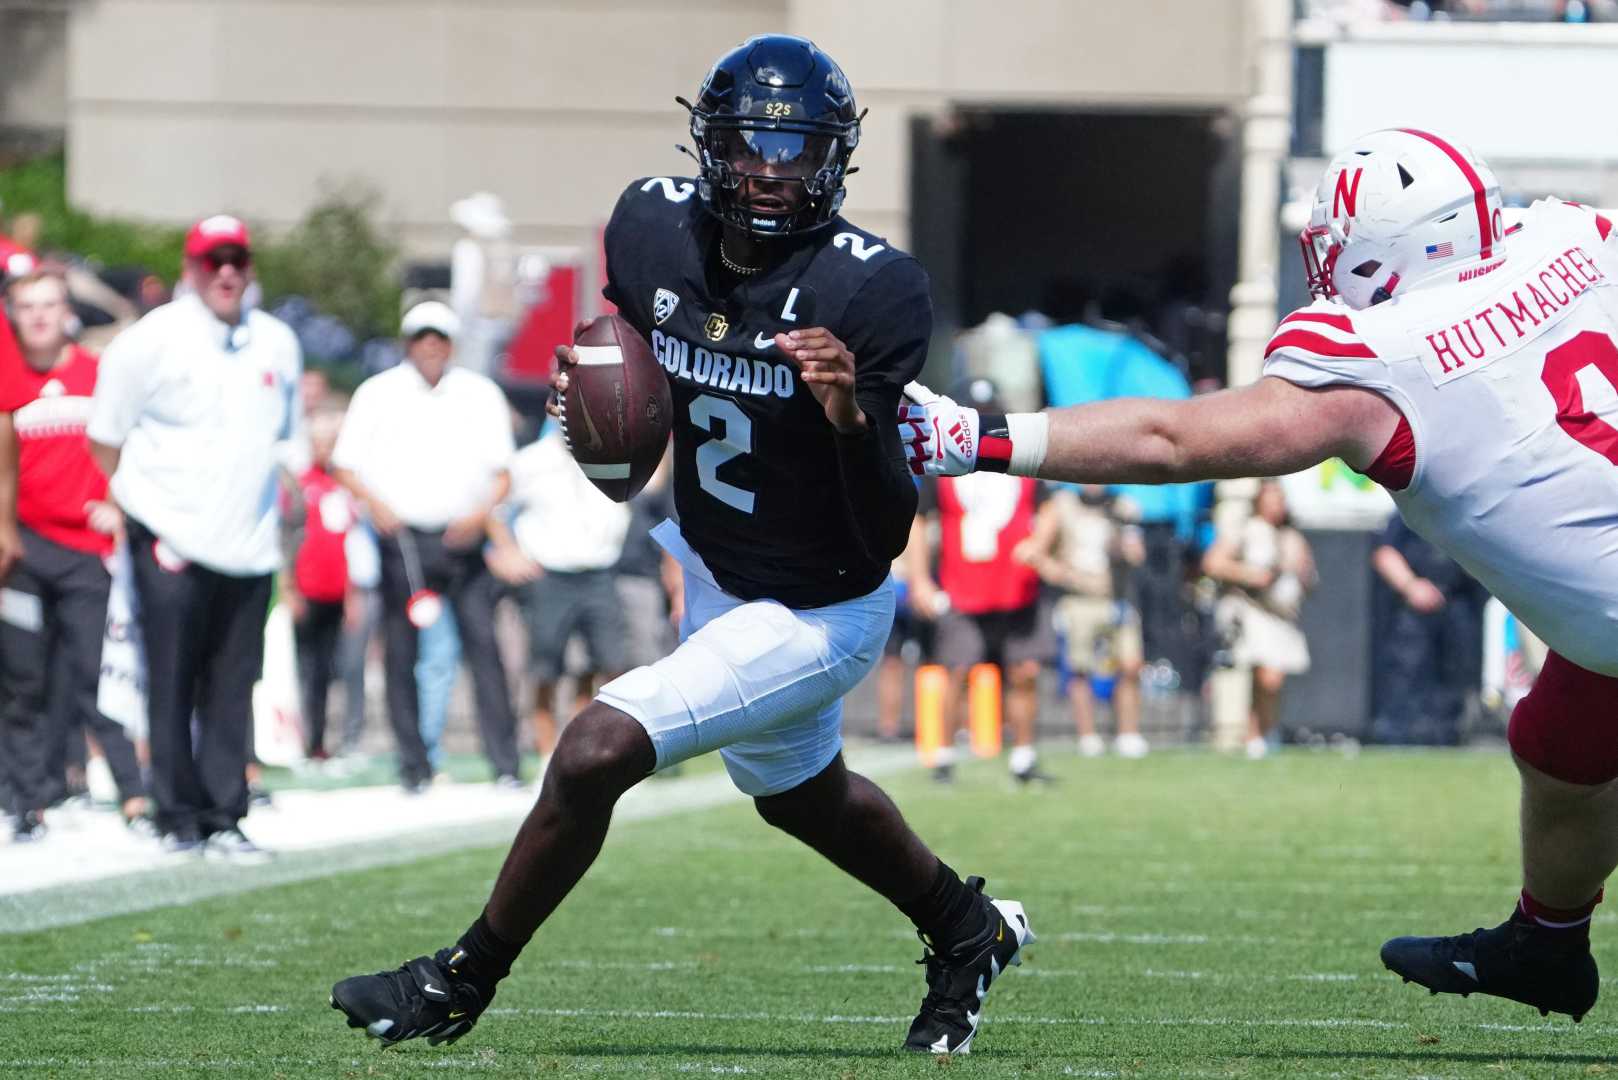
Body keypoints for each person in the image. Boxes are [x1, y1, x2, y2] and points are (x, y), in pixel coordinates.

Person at [331, 35, 1033, 1057]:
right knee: (800, 796)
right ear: (710, 145)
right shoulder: (651, 227)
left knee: (595, 749)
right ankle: (967, 931)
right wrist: (598, 408)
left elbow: (885, 530)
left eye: (796, 148)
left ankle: (457, 977)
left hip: (822, 606)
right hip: (713, 569)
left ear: (835, 159)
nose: (770, 169)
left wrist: (847, 414)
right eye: (750, 145)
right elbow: (628, 392)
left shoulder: (870, 290)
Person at [901, 126, 1618, 1023]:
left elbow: (1176, 438)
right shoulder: (1574, 238)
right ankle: (1546, 944)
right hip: (1603, 621)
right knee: (1561, 743)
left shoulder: (1379, 355)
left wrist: (982, 437)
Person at [87, 214, 304, 860]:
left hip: (249, 540)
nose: (228, 272)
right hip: (169, 534)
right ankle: (176, 813)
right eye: (215, 261)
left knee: (234, 684)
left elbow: (283, 438)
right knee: (172, 680)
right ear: (191, 270)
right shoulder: (151, 340)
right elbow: (105, 437)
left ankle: (224, 813)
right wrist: (148, 504)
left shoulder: (276, 342)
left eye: (238, 259)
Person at [332, 301, 521, 793]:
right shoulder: (378, 393)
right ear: (407, 343)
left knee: (485, 651)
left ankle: (505, 764)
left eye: (438, 337)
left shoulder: (479, 393)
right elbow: (347, 465)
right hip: (406, 541)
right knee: (401, 653)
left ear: (451, 344)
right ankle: (413, 766)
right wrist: (377, 506)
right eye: (421, 337)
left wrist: (479, 515)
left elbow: (502, 474)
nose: (430, 346)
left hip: (464, 538)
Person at [0, 267, 145, 842]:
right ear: (12, 314)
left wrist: (118, 501)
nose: (38, 316)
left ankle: (134, 795)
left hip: (87, 553)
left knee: (98, 678)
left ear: (67, 311)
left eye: (49, 304)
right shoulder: (7, 379)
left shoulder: (99, 374)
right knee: (21, 680)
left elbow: (132, 441)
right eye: (26, 306)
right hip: (24, 551)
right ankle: (26, 802)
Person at [909, 421, 1055, 784]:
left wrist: (1040, 543)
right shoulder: (942, 467)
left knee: (1024, 672)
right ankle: (943, 757)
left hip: (1016, 586)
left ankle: (1023, 757)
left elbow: (1051, 506)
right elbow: (919, 522)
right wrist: (919, 578)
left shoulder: (1022, 462)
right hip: (962, 587)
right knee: (957, 671)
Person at [486, 419, 632, 756]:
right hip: (550, 575)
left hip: (600, 571)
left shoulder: (611, 451)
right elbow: (493, 510)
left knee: (607, 664)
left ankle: (586, 746)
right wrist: (506, 551)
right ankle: (548, 753)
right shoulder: (529, 461)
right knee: (545, 668)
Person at [1019, 485, 1149, 758]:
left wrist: (1123, 545)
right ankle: (1088, 736)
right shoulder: (1062, 504)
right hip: (1078, 597)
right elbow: (1035, 551)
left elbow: (1137, 553)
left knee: (1129, 664)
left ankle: (1128, 734)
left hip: (1115, 595)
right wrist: (1055, 571)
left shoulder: (1123, 506)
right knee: (1080, 669)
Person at [1201, 479, 1316, 758]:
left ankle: (1266, 732)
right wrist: (1251, 575)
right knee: (1260, 674)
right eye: (1270, 497)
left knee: (1273, 679)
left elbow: (1310, 579)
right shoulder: (1245, 530)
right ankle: (1249, 734)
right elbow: (1213, 563)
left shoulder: (1292, 537)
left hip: (1283, 615)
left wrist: (1302, 573)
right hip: (1252, 609)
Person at [1370, 515, 1488, 745]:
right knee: (1407, 674)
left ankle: (1447, 738)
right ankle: (1397, 740)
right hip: (1414, 605)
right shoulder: (1411, 507)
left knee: (1457, 679)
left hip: (1457, 604)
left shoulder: (1468, 513)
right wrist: (1410, 585)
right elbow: (1384, 553)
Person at [283, 408, 359, 760]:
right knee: (301, 667)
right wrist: (289, 589)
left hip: (335, 592)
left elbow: (352, 545)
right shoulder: (300, 485)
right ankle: (293, 736)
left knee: (326, 671)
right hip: (305, 591)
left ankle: (318, 740)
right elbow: (288, 540)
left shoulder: (343, 488)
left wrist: (352, 594)